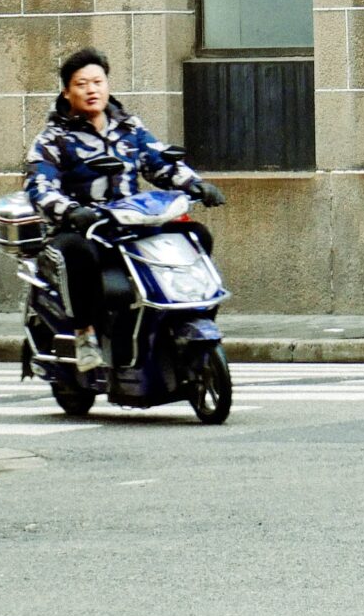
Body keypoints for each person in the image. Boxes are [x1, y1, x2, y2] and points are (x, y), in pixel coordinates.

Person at [25, 47, 223, 374]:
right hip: (84, 230)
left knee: (195, 236)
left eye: (97, 82)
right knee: (79, 254)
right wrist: (70, 211)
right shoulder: (53, 138)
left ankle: (192, 318)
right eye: (81, 84)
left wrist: (197, 186)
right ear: (67, 91)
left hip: (134, 225)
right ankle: (85, 333)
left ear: (107, 85)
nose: (91, 90)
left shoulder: (129, 127)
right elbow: (39, 186)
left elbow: (160, 164)